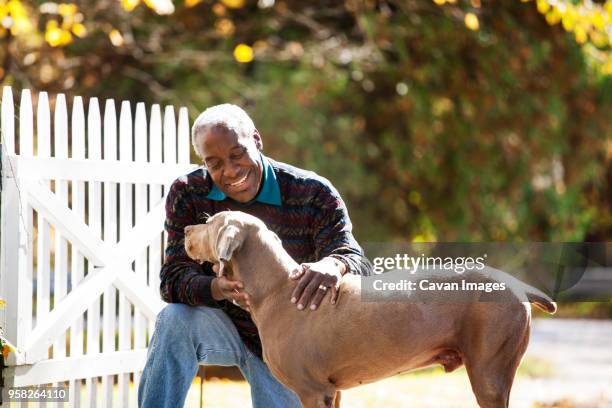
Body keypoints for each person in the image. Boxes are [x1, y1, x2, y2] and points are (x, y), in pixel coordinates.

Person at [138, 104, 371, 408]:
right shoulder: (188, 192)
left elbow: (357, 261)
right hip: (226, 324)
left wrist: (334, 264)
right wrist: (217, 289)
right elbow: (172, 280)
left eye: (237, 154)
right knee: (174, 320)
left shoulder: (313, 192)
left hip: (291, 342)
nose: (230, 171)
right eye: (215, 163)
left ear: (257, 140)